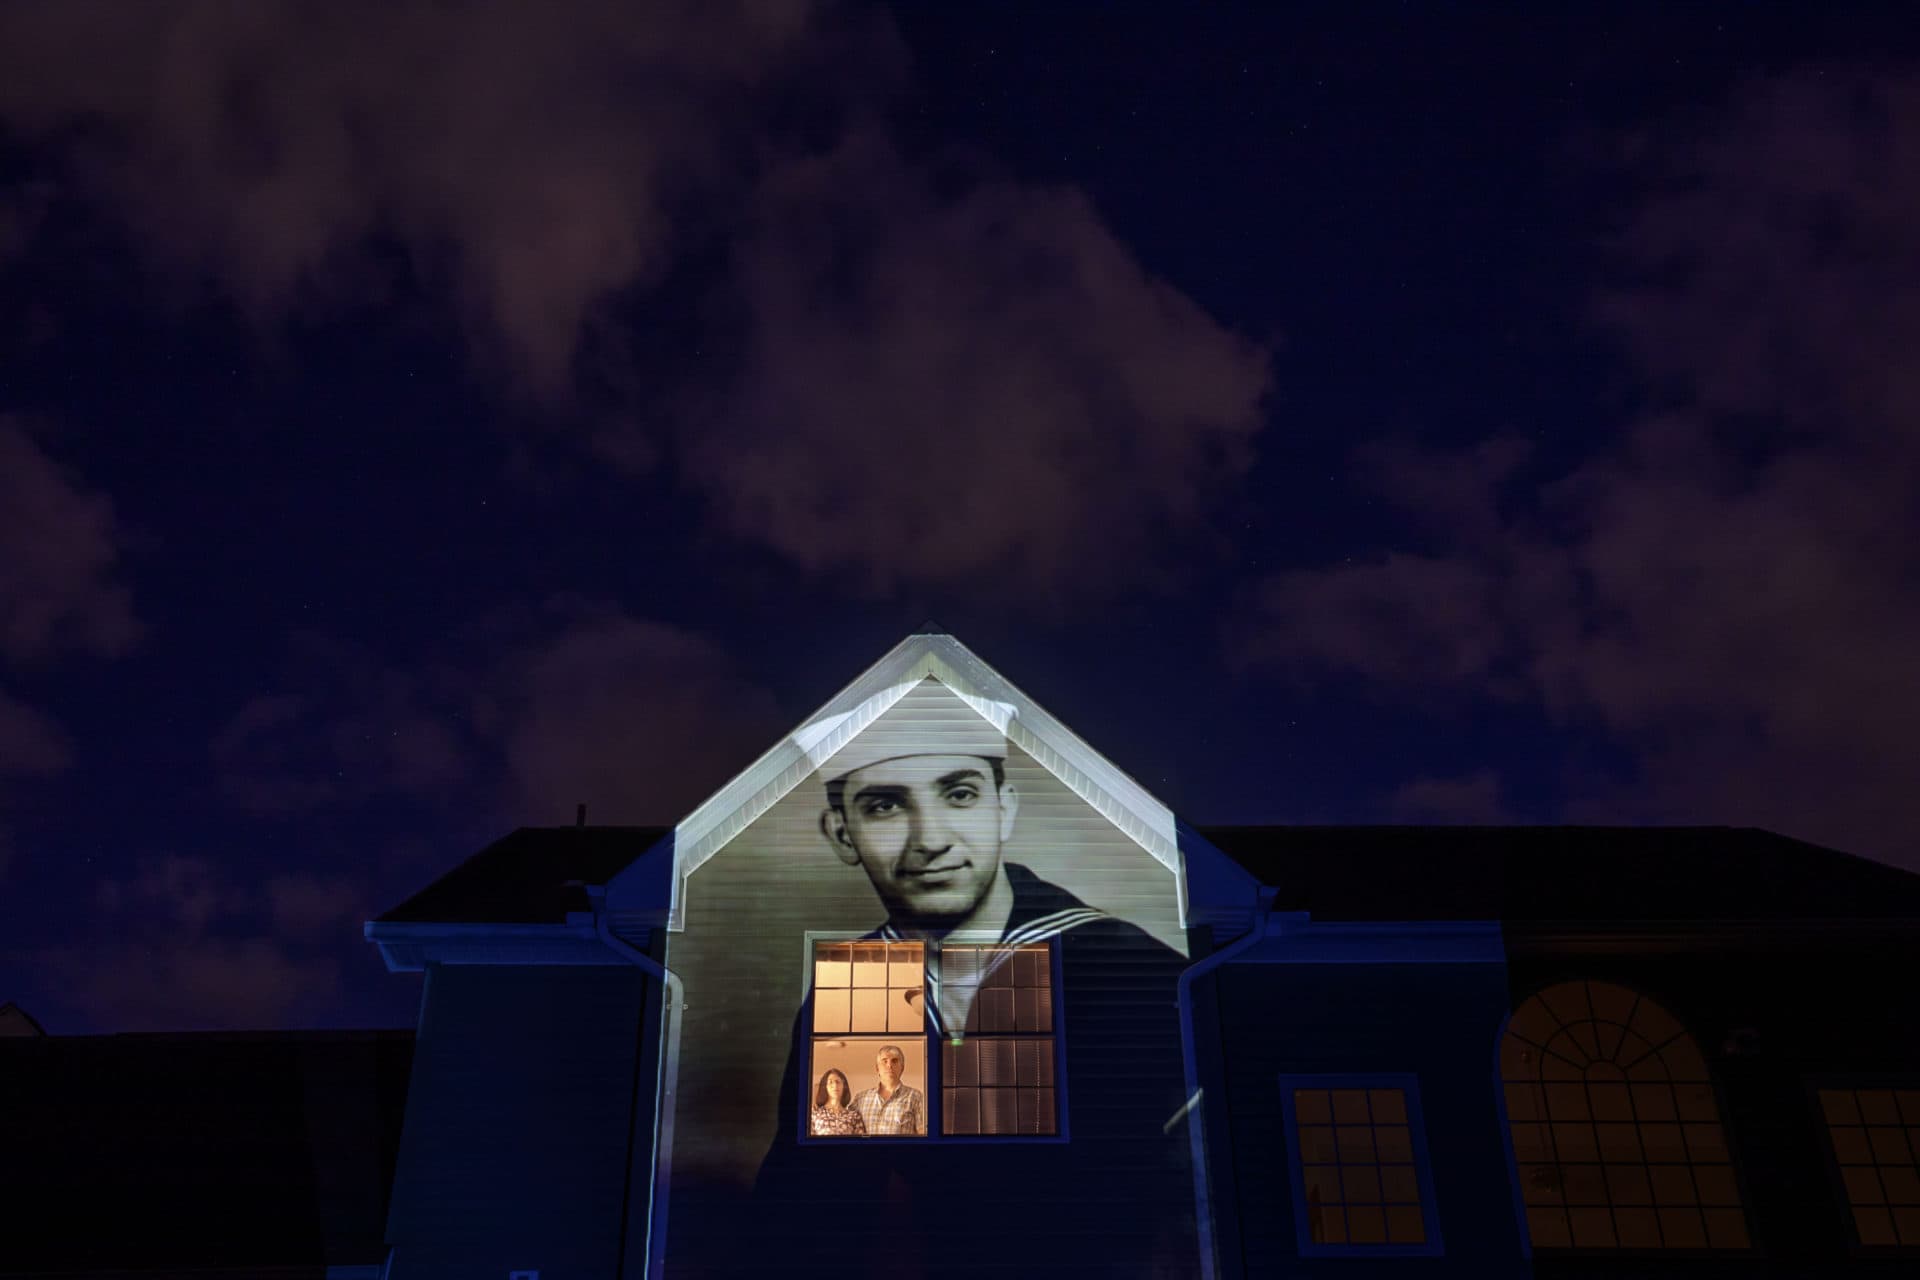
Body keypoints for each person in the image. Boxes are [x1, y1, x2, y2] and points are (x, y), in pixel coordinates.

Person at [848, 1043, 924, 1136]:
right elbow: (846, 1129)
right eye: (884, 1061)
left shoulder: (914, 1096)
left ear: (902, 1068)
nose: (889, 1065)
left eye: (894, 1061)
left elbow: (923, 1133)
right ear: (877, 1068)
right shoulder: (861, 1099)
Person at [809, 1067, 866, 1137]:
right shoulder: (815, 1113)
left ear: (844, 1086)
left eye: (838, 1082)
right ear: (825, 1087)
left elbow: (860, 1143)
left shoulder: (854, 1116)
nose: (835, 1085)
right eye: (830, 1082)